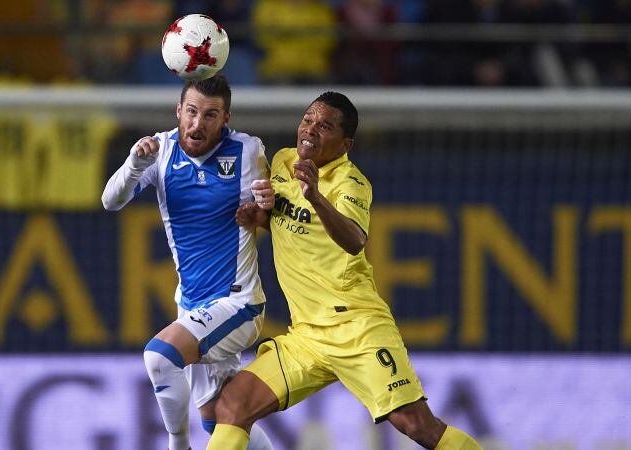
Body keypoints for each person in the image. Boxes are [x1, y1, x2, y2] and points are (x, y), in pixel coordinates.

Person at [207, 92, 482, 449]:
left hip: (356, 328)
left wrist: (316, 196)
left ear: (345, 143)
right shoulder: (283, 161)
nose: (310, 130)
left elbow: (354, 240)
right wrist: (257, 218)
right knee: (233, 403)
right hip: (307, 336)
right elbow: (287, 222)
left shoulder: (351, 183)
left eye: (325, 126)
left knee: (417, 426)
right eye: (308, 120)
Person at [101, 75, 274, 450]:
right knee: (222, 420)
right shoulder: (158, 150)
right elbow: (110, 201)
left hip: (238, 302)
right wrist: (133, 164)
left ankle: (178, 445)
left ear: (225, 118)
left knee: (160, 357)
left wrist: (264, 207)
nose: (198, 124)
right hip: (192, 305)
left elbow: (272, 218)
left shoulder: (247, 151)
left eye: (211, 115)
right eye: (192, 112)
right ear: (179, 111)